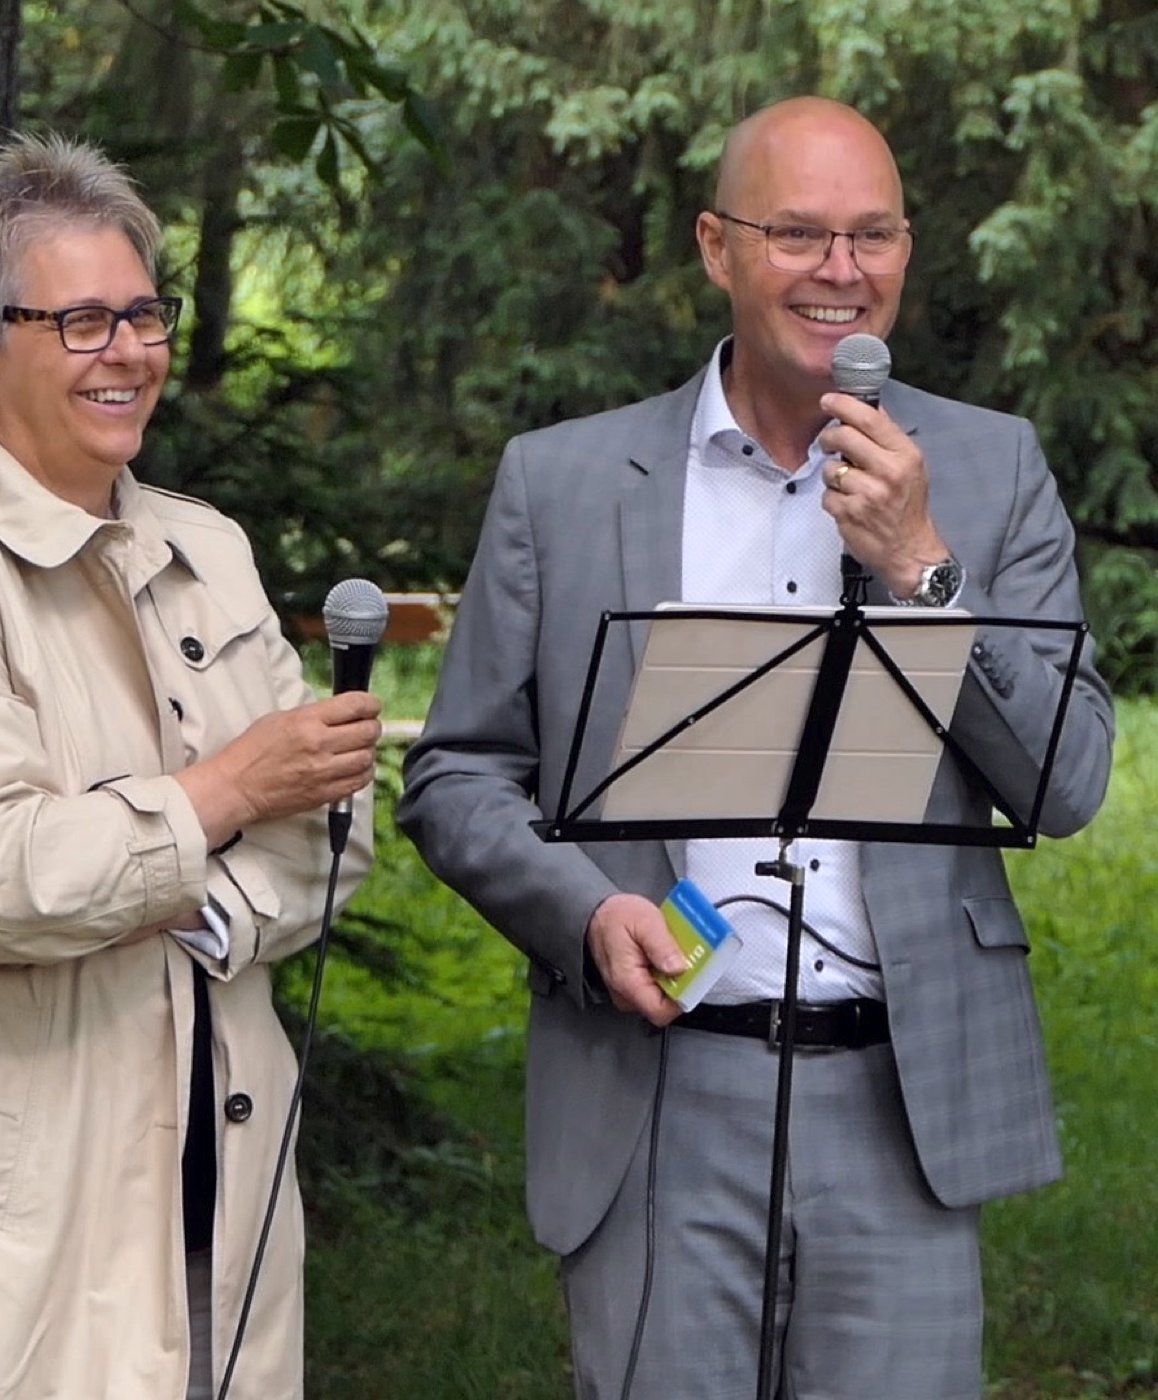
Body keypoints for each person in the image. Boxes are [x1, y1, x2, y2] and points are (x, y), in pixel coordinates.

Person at [398, 95, 1115, 1399]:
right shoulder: (560, 483)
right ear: (717, 246)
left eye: (873, 235)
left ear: (908, 248)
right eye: (799, 234)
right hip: (659, 1089)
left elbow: (1066, 781)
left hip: (902, 1102)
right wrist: (583, 910)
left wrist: (923, 568)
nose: (843, 273)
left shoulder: (993, 472)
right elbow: (456, 774)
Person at [0, 132, 381, 1400]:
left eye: (142, 314)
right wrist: (223, 791)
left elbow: (332, 830)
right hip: (0, 1200)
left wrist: (201, 906)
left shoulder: (209, 547)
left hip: (212, 1169)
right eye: (78, 321)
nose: (127, 351)